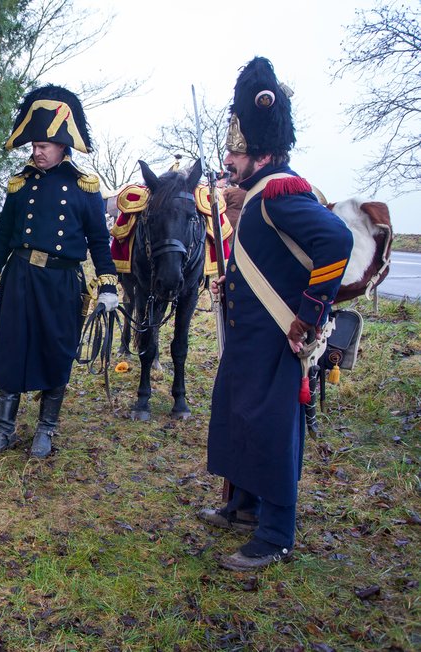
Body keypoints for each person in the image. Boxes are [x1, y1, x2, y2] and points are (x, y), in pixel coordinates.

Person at [200, 58, 354, 570]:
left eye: (234, 153)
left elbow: (336, 240)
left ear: (256, 154)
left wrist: (309, 317)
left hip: (277, 340)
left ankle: (276, 533)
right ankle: (244, 507)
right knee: (241, 419)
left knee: (271, 429)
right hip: (251, 337)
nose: (229, 161)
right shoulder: (261, 194)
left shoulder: (279, 192)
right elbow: (271, 258)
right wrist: (233, 282)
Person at [0, 85, 118, 460]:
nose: (37, 151)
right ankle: (3, 431)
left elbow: (99, 242)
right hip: (20, 279)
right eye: (34, 145)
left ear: (62, 146)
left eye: (44, 145)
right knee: (11, 351)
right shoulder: (20, 186)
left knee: (56, 353)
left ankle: (46, 429)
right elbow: (3, 236)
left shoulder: (84, 188)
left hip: (60, 284)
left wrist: (107, 286)